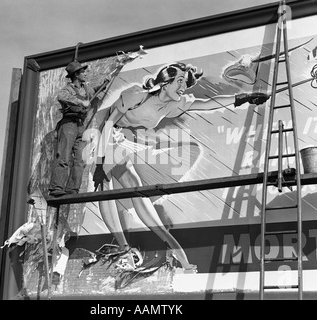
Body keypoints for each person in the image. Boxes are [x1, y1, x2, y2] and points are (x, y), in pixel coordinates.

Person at [92, 62, 270, 271]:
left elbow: (207, 103)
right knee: (104, 184)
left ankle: (168, 249)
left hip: (119, 138)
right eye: (179, 81)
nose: (183, 86)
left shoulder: (173, 105)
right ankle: (123, 248)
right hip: (99, 132)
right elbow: (109, 123)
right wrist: (98, 163)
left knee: (136, 187)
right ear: (165, 82)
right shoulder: (137, 94)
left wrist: (243, 98)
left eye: (185, 83)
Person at [49, 60, 107, 197]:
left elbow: (94, 91)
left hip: (81, 126)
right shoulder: (68, 89)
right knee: (63, 156)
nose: (85, 74)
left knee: (80, 159)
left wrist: (104, 83)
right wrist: (80, 101)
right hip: (68, 124)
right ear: (76, 74)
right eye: (83, 72)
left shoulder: (86, 89)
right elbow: (61, 97)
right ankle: (56, 187)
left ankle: (72, 189)